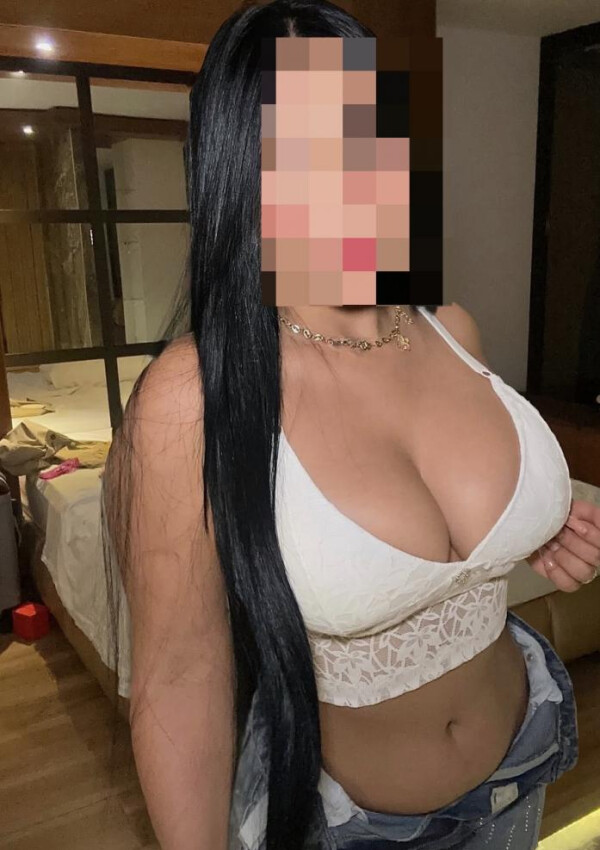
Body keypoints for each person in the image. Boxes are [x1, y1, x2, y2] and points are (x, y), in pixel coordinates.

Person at [101, 2, 599, 849]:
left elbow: (443, 541)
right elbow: (180, 680)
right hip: (348, 825)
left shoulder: (453, 327)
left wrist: (535, 534)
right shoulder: (197, 396)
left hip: (525, 755)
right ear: (245, 172)